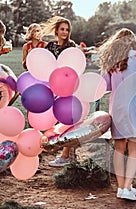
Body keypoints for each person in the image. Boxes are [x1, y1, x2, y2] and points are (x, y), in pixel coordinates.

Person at [98, 28, 136, 201]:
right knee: (134, 149)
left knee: (119, 148)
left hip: (117, 106)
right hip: (134, 106)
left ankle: (123, 187)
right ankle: (127, 186)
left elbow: (105, 86)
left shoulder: (110, 61)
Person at [42, 16, 76, 167]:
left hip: (68, 89)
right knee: (55, 121)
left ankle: (66, 155)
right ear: (56, 30)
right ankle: (58, 149)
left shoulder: (71, 46)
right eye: (62, 29)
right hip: (51, 88)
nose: (64, 32)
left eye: (67, 29)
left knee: (68, 120)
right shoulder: (50, 46)